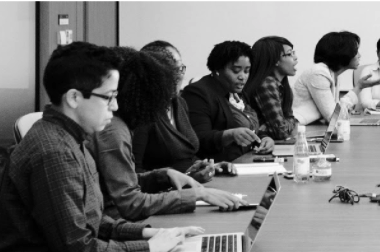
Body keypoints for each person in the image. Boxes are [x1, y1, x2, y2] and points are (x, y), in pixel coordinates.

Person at [0, 42, 201, 252]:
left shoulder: (74, 138)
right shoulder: (55, 153)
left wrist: (151, 233)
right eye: (108, 97)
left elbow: (94, 221)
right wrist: (149, 248)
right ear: (74, 98)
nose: (116, 106)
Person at [91, 47, 247, 221]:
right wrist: (197, 195)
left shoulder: (124, 124)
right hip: (125, 223)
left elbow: (125, 180)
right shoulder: (114, 130)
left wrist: (165, 175)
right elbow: (130, 202)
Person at [131, 41, 219, 179]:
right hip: (164, 194)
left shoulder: (179, 103)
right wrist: (178, 178)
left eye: (180, 68)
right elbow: (134, 173)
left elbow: (187, 154)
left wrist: (208, 166)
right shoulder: (143, 112)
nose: (178, 75)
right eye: (171, 69)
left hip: (191, 185)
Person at [182, 41, 275, 162]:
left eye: (247, 71)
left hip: (246, 160)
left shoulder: (238, 92)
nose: (242, 77)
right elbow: (198, 138)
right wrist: (229, 135)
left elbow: (249, 126)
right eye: (236, 71)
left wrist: (264, 138)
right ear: (217, 69)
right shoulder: (197, 93)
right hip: (218, 167)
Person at [292, 31, 380, 124]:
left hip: (313, 127)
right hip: (298, 129)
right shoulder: (318, 73)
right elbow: (334, 117)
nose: (359, 55)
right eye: (355, 51)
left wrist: (359, 87)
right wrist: (358, 88)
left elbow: (336, 112)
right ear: (343, 53)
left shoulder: (333, 74)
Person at [244, 36, 300, 140]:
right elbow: (281, 132)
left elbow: (289, 119)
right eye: (289, 54)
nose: (295, 57)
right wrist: (291, 123)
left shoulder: (281, 84)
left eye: (294, 52)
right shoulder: (267, 84)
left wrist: (289, 122)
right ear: (275, 61)